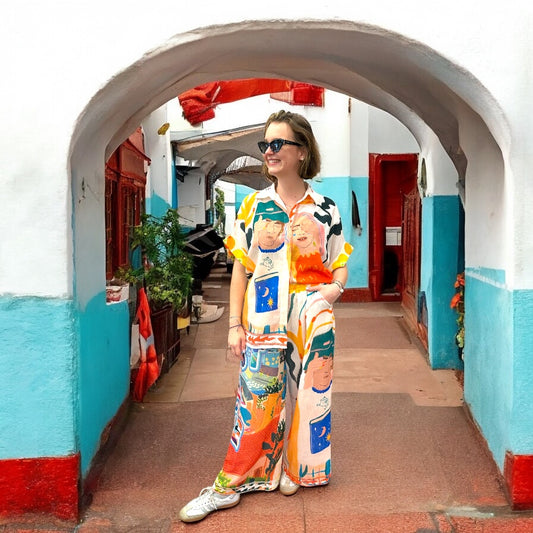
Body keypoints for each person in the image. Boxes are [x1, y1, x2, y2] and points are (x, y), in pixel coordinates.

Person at [179, 110, 353, 523]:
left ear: (301, 150)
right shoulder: (254, 206)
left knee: (311, 396)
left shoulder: (325, 209)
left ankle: (295, 468)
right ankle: (232, 482)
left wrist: (334, 290)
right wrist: (234, 325)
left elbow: (340, 262)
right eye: (265, 145)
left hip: (312, 314)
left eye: (278, 144)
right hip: (263, 316)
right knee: (256, 397)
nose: (269, 152)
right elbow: (242, 267)